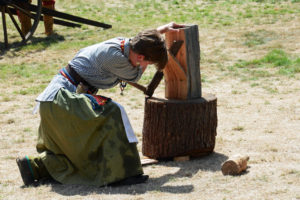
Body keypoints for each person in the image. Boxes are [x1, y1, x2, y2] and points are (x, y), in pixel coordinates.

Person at [16, 22, 184, 187]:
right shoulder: (115, 56)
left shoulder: (126, 44)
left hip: (57, 101)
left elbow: (141, 42)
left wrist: (159, 32)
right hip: (61, 101)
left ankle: (33, 166)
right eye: (146, 62)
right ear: (141, 57)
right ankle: (124, 173)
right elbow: (135, 76)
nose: (144, 65)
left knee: (84, 145)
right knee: (112, 112)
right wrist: (144, 65)